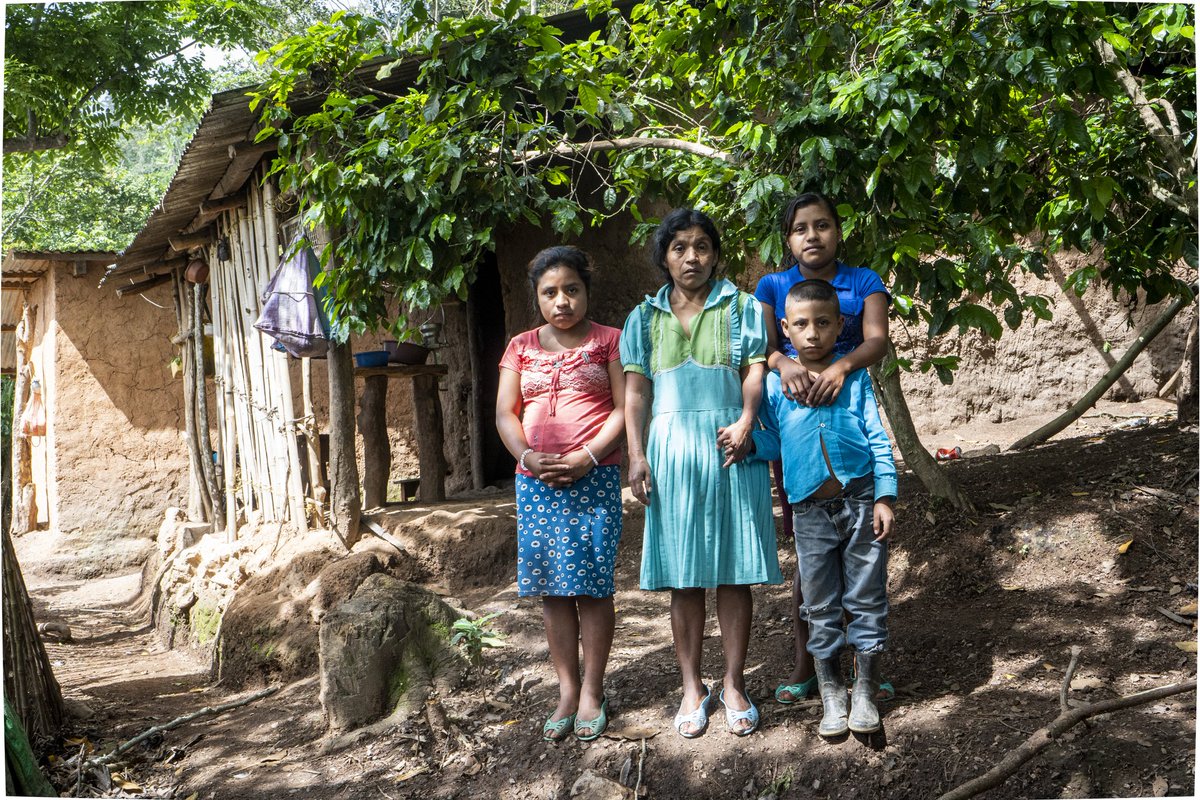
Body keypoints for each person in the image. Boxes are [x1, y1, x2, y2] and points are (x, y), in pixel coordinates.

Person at [621, 208, 781, 738]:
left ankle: (733, 683)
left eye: (702, 247)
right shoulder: (643, 318)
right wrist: (637, 455)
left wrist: (745, 421)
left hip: (730, 445)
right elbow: (638, 392)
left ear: (715, 253)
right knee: (684, 578)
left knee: (735, 574)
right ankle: (692, 687)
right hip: (670, 452)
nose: (692, 257)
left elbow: (753, 370)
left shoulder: (742, 308)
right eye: (679, 248)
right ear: (663, 257)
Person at [753, 192, 891, 705]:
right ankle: (807, 664)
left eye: (823, 225)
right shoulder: (772, 286)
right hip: (795, 427)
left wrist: (839, 368)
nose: (812, 236)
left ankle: (866, 671)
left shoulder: (864, 281)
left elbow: (875, 341)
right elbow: (763, 347)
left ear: (839, 229)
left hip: (847, 423)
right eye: (800, 228)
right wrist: (783, 365)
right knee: (813, 555)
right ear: (787, 238)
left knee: (861, 560)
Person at [495, 246, 626, 742]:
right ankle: (567, 689)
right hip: (536, 484)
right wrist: (528, 458)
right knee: (552, 589)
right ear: (537, 298)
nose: (562, 300)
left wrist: (587, 457)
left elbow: (623, 407)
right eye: (550, 292)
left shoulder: (610, 341)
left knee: (592, 586)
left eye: (572, 289)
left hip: (593, 478)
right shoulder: (520, 346)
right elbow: (506, 411)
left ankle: (593, 689)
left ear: (586, 291)